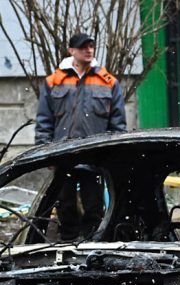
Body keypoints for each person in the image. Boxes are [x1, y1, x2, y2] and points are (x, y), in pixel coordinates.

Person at [36, 32, 127, 240]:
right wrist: (44, 151)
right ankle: (67, 243)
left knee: (94, 207)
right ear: (71, 51)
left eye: (91, 46)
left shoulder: (108, 82)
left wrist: (114, 154)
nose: (88, 50)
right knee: (65, 206)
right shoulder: (54, 81)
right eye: (83, 47)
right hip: (62, 155)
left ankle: (93, 244)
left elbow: (117, 124)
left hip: (95, 157)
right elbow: (44, 120)